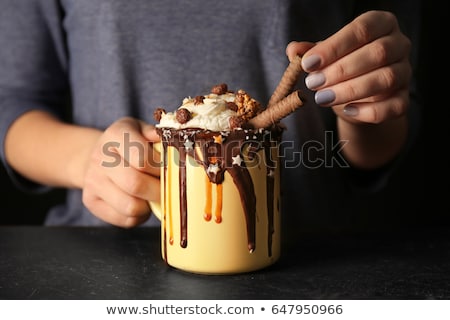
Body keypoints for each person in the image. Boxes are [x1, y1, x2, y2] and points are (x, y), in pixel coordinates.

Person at [0, 1, 422, 236]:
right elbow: (12, 104)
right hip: (105, 258)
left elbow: (385, 143)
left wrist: (365, 102)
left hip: (316, 260)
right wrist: (89, 160)